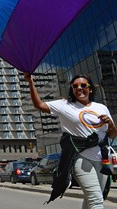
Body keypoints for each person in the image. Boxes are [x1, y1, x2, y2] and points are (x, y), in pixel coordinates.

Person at [24, 73, 117, 209]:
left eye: (83, 85)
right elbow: (39, 105)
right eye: (75, 86)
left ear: (90, 89)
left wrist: (111, 125)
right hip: (80, 158)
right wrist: (31, 82)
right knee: (96, 200)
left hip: (101, 159)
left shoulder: (101, 107)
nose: (79, 88)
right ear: (72, 89)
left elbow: (112, 134)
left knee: (93, 198)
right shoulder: (65, 105)